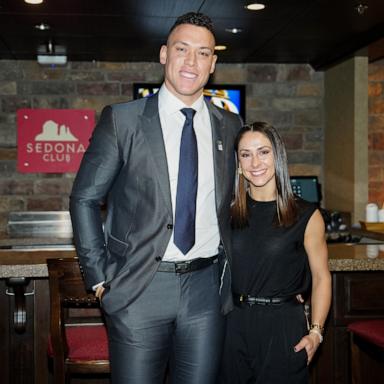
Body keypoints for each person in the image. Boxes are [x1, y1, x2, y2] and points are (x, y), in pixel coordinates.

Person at [69, 12, 242, 384]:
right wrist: (100, 279)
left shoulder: (230, 126)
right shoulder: (122, 120)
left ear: (213, 63)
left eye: (202, 53)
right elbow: (84, 198)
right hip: (138, 289)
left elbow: (236, 201)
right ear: (164, 54)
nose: (191, 62)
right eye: (182, 49)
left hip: (205, 291)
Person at [218, 122, 331, 384]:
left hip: (282, 327)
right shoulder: (226, 212)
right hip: (232, 325)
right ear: (238, 163)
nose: (255, 162)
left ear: (278, 156)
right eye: (246, 154)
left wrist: (316, 332)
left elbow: (321, 277)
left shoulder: (306, 215)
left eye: (263, 152)